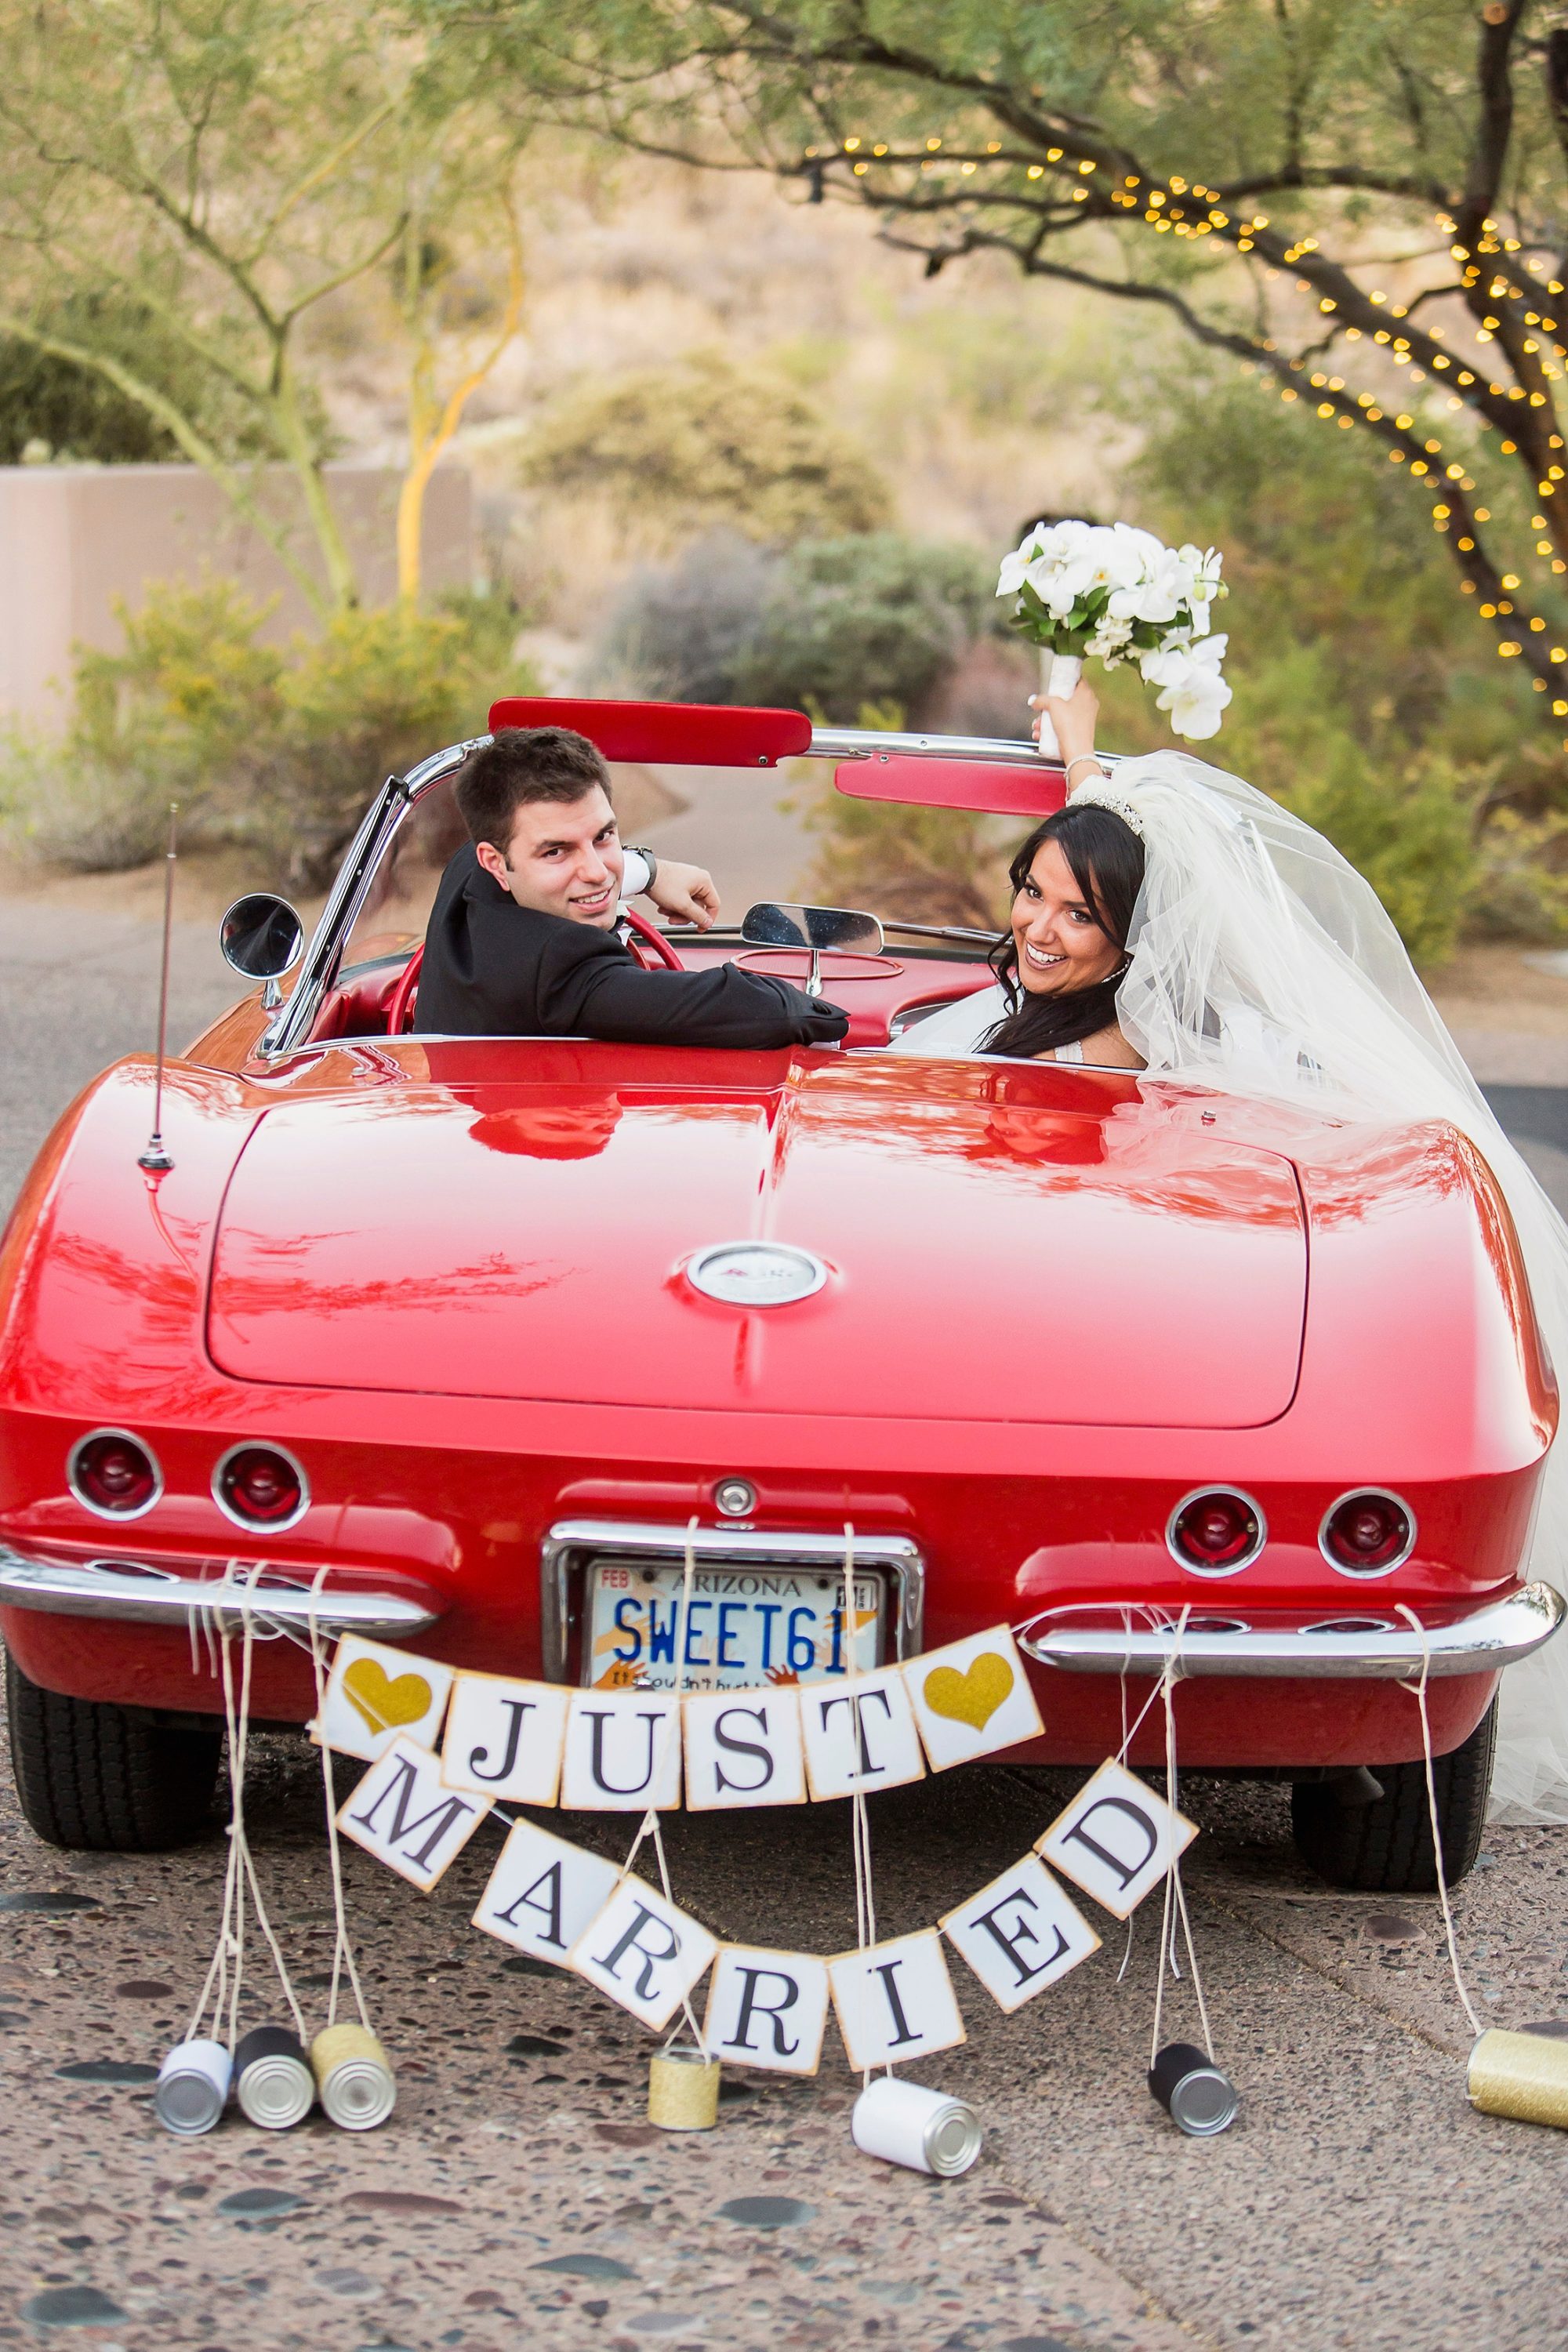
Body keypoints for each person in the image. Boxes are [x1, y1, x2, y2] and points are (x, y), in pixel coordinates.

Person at [417, 725, 848, 1048]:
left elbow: (579, 859)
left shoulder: (470, 874)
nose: (598, 872)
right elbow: (758, 1011)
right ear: (496, 862)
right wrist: (830, 1016)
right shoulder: (563, 975)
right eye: (556, 852)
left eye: (603, 836)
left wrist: (651, 871)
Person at [890, 677, 1145, 1067]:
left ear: (1132, 934)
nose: (1038, 930)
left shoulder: (1057, 1066)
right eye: (1034, 892)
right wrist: (1078, 746)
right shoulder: (1131, 1014)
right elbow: (1098, 816)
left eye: (1079, 915)